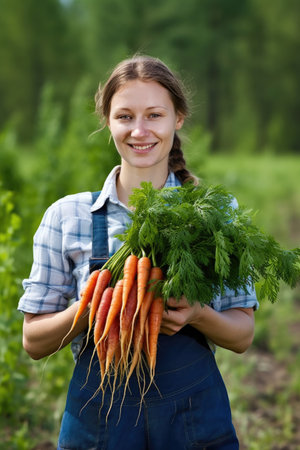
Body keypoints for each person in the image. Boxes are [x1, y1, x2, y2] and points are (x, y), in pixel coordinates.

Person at [19, 55, 258, 449]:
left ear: (177, 118)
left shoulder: (215, 216)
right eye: (125, 116)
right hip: (99, 423)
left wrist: (197, 315)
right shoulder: (67, 216)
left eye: (154, 115)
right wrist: (89, 311)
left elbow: (243, 334)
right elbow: (34, 341)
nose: (140, 130)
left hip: (191, 424)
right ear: (108, 122)